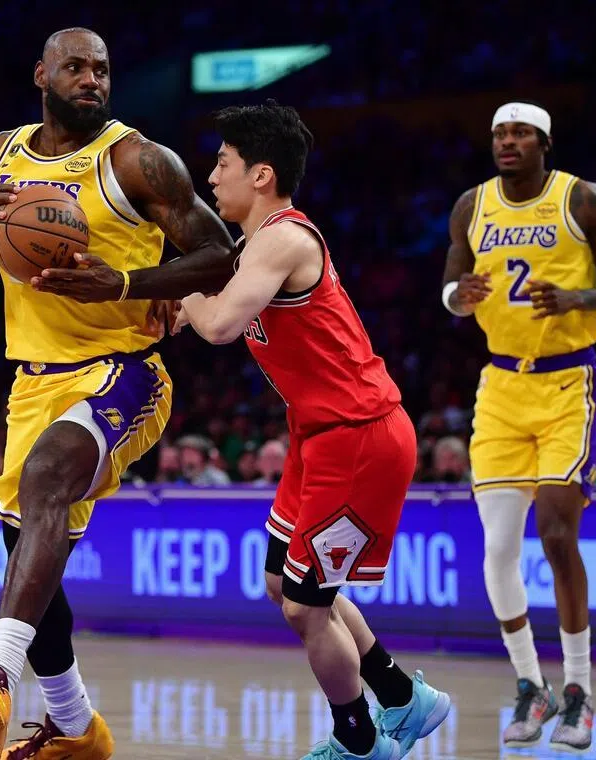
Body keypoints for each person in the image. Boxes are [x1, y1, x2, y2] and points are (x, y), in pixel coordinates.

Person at [0, 27, 234, 760]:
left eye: (102, 69)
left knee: (46, 481)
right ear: (42, 74)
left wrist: (127, 284)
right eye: (76, 67)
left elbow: (220, 255)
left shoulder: (137, 160)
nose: (92, 79)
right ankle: (75, 725)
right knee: (32, 554)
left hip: (124, 371)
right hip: (32, 381)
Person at [169, 100, 450, 760]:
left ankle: (359, 740)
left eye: (223, 164)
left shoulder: (286, 240)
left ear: (261, 175)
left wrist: (178, 284)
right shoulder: (248, 248)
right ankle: (404, 697)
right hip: (316, 435)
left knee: (304, 607)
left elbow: (215, 324)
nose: (213, 178)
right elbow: (188, 313)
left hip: (360, 436)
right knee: (283, 585)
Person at [441, 101, 596, 751]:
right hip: (501, 384)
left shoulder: (583, 200)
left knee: (557, 534)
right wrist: (458, 297)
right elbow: (450, 284)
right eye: (500, 133)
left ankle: (579, 691)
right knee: (497, 549)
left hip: (568, 381)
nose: (508, 141)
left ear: (544, 142)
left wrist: (580, 297)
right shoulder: (472, 206)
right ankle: (532, 686)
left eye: (521, 133)